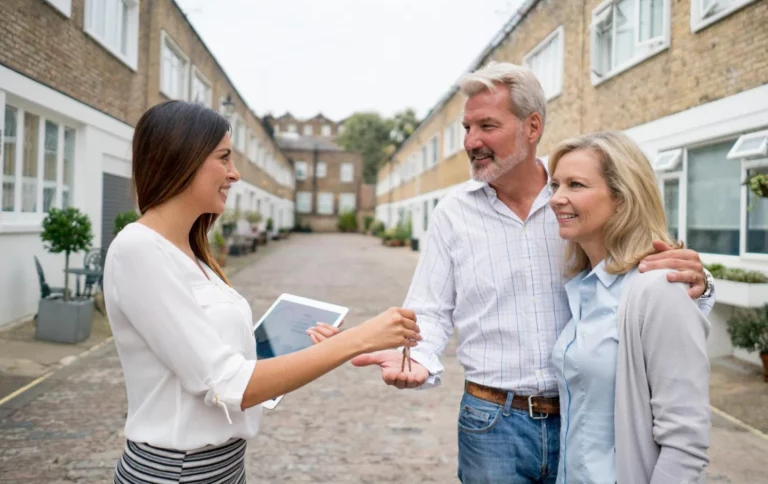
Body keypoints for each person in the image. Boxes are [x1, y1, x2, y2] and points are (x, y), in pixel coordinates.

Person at [350, 62, 714, 483]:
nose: (472, 142)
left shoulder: (579, 204)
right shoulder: (454, 213)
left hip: (589, 414)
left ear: (532, 126)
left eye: (487, 125)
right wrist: (420, 358)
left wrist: (700, 284)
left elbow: (641, 268)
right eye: (467, 128)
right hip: (491, 421)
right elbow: (430, 309)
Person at [103, 100, 421, 484]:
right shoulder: (139, 249)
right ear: (181, 158)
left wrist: (306, 351)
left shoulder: (193, 255)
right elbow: (225, 383)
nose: (234, 174)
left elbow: (219, 358)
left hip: (222, 468)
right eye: (224, 158)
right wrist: (356, 340)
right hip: (178, 471)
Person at [548, 131, 710, 483]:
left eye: (575, 185)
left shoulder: (658, 288)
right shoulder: (585, 288)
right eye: (555, 185)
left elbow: (686, 442)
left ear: (622, 198)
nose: (557, 198)